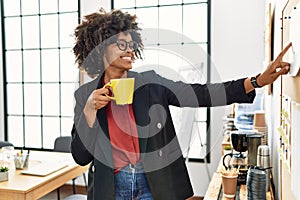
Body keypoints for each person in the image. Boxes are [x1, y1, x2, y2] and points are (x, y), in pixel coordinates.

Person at [70, 8, 291, 200]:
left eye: (131, 44)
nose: (129, 50)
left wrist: (256, 81)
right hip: (110, 187)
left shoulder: (151, 82)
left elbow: (202, 93)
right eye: (121, 44)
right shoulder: (85, 96)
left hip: (152, 181)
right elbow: (81, 156)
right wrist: (90, 109)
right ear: (101, 48)